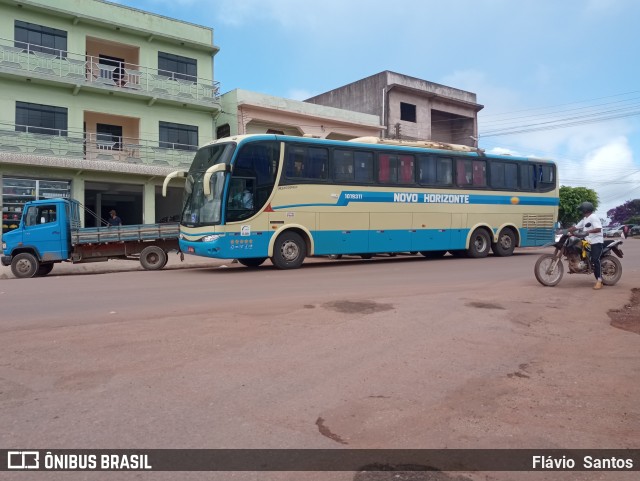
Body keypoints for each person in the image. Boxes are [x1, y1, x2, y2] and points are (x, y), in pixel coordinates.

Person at [567, 202, 604, 290]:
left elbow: (598, 229)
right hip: (587, 241)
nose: (581, 211)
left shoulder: (593, 217)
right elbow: (575, 227)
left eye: (581, 209)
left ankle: (599, 280)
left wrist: (587, 232)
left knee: (595, 259)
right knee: (576, 249)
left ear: (585, 209)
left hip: (596, 242)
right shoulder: (585, 219)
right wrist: (563, 231)